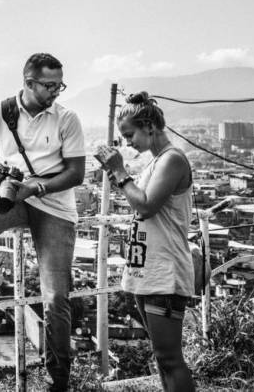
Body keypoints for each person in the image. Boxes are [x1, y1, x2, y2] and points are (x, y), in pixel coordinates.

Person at [0, 53, 85, 392]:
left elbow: (76, 173)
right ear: (28, 83)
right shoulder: (0, 113)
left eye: (59, 85)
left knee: (56, 296)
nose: (55, 92)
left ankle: (58, 377)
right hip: (9, 195)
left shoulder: (67, 119)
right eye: (49, 86)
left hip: (53, 203)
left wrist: (36, 187)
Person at [94, 92, 195, 392]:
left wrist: (121, 172)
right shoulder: (156, 163)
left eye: (129, 135)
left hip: (165, 270)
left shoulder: (173, 160)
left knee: (169, 357)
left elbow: (146, 205)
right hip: (148, 269)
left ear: (149, 125)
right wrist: (119, 176)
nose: (128, 143)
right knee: (161, 358)